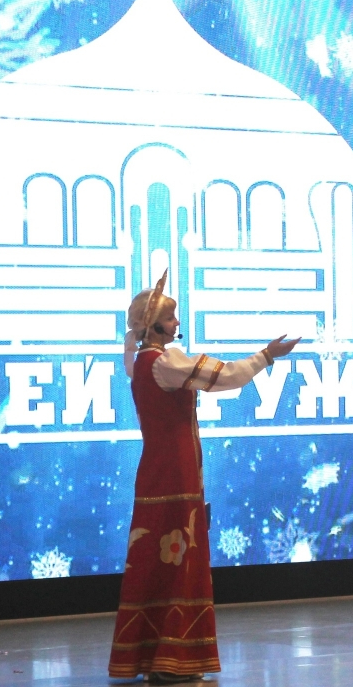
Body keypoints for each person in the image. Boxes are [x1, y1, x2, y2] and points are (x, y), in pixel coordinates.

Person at [108, 271, 300, 683]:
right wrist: (266, 355)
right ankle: (172, 659)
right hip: (176, 475)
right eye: (170, 318)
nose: (177, 323)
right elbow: (226, 376)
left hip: (154, 472)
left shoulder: (139, 362)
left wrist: (133, 337)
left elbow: (129, 353)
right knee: (180, 561)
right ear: (154, 325)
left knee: (154, 560)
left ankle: (151, 655)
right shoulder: (167, 362)